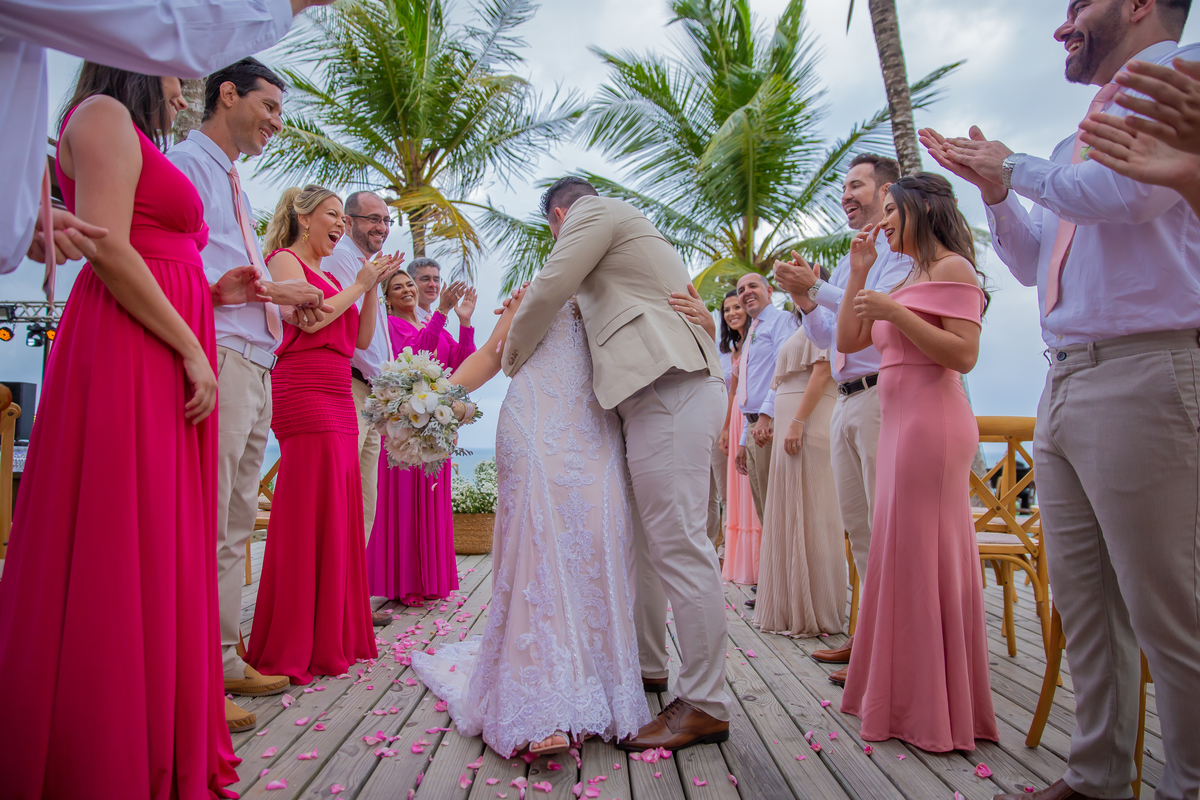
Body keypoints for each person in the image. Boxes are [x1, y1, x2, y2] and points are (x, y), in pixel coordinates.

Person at [921, 1, 1200, 795]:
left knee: (1169, 610)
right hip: (1069, 376)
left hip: (1147, 368)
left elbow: (1131, 196)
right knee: (1087, 604)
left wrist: (1016, 169)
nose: (1061, 23)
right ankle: (1099, 775)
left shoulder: (1181, 80)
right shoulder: (1068, 145)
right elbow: (1033, 261)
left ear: (1139, 4)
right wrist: (998, 193)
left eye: (1079, 4)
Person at [0, 63, 265, 798]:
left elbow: (145, 247)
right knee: (124, 528)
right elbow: (111, 247)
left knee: (161, 531)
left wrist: (210, 296)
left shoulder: (129, 131)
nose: (183, 89)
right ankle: (107, 737)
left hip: (165, 329)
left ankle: (154, 715)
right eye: (177, 75)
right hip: (133, 342)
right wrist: (190, 346)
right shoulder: (101, 115)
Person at [501, 177, 731, 751]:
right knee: (645, 546)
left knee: (678, 546)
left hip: (669, 387)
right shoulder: (624, 245)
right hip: (649, 395)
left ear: (558, 217)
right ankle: (649, 666)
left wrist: (512, 357)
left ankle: (705, 703)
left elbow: (552, 284)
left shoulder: (592, 210)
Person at [411, 285, 653, 759]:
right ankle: (541, 699)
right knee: (538, 546)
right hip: (532, 420)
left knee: (597, 543)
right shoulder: (533, 292)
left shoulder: (619, 286)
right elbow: (491, 353)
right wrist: (432, 399)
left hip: (596, 426)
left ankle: (598, 683)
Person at [168, 56, 331, 731]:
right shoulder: (186, 164)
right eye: (269, 107)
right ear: (227, 94)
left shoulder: (231, 178)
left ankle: (225, 658)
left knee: (236, 521)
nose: (277, 123)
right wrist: (250, 290)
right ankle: (196, 673)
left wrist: (278, 295)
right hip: (225, 354)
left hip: (257, 360)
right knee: (209, 518)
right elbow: (177, 262)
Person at [833, 173, 996, 753]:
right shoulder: (902, 275)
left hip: (933, 423)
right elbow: (849, 340)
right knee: (899, 554)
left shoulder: (954, 268)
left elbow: (964, 354)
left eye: (891, 212)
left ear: (919, 211)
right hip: (899, 423)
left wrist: (896, 315)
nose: (883, 223)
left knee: (925, 556)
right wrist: (859, 272)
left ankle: (932, 703)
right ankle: (903, 695)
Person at [1, 0, 332, 275]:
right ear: (229, 94)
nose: (182, 98)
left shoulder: (230, 186)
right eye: (177, 75)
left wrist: (21, 220)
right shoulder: (179, 160)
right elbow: (118, 250)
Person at [246, 185, 396, 685]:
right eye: (333, 215)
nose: (339, 226)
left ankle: (331, 632)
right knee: (307, 510)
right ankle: (292, 637)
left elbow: (360, 339)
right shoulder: (284, 261)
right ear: (304, 217)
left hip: (337, 391)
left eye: (341, 218)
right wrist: (357, 285)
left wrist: (370, 287)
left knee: (339, 510)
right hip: (304, 387)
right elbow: (310, 327)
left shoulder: (332, 278)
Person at [774, 153, 912, 672]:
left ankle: (893, 646)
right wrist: (807, 302)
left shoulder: (902, 252)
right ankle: (870, 637)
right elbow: (833, 339)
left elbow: (873, 309)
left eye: (856, 185)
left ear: (887, 191)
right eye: (844, 188)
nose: (845, 196)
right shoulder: (860, 255)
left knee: (885, 525)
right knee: (859, 529)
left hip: (882, 396)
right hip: (848, 399)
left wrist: (815, 288)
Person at [366, 266, 475, 603]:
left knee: (433, 500)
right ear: (387, 299)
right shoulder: (391, 326)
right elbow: (415, 358)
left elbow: (460, 363)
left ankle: (432, 581)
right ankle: (406, 583)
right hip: (405, 429)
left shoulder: (432, 324)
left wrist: (465, 323)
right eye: (397, 287)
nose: (407, 290)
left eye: (409, 284)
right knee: (404, 506)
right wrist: (441, 312)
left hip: (434, 426)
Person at [752, 303, 844, 638]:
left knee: (813, 511)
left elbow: (822, 371)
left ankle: (816, 607)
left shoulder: (827, 317)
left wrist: (797, 421)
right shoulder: (798, 326)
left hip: (809, 422)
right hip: (790, 422)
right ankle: (788, 605)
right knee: (788, 510)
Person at [323, 191, 396, 553]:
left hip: (371, 392)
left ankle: (354, 583)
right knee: (344, 495)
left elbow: (376, 337)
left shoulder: (370, 265)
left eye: (386, 220)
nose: (381, 227)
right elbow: (355, 336)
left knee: (366, 501)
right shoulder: (341, 258)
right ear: (348, 221)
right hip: (350, 385)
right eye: (373, 219)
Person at [733, 272, 797, 531]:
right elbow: (750, 388)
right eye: (741, 290)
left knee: (778, 511)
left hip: (769, 425)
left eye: (752, 286)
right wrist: (742, 441)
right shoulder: (752, 331)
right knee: (765, 511)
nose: (746, 292)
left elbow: (784, 368)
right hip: (753, 427)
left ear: (769, 291)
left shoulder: (781, 320)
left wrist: (766, 416)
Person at [716, 291, 762, 585]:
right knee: (735, 491)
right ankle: (740, 562)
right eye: (727, 309)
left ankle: (758, 563)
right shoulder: (734, 348)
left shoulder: (758, 338)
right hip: (735, 419)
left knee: (752, 488)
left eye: (737, 307)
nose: (732, 313)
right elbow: (732, 392)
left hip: (753, 414)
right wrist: (724, 428)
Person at [409, 256, 442, 323]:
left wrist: (463, 319)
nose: (433, 284)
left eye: (436, 280)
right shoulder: (405, 319)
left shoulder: (436, 320)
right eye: (425, 279)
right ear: (410, 282)